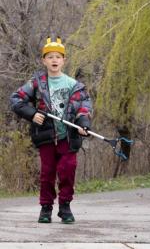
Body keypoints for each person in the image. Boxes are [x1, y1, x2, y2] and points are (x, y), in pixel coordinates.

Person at [10, 37, 92, 224]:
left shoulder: (74, 85)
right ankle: (46, 207)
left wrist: (83, 123)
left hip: (68, 137)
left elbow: (84, 106)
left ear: (63, 60)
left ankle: (65, 206)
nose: (54, 60)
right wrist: (31, 114)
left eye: (58, 57)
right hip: (46, 136)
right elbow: (16, 99)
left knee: (67, 170)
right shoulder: (37, 84)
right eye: (50, 57)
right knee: (47, 173)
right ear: (44, 60)